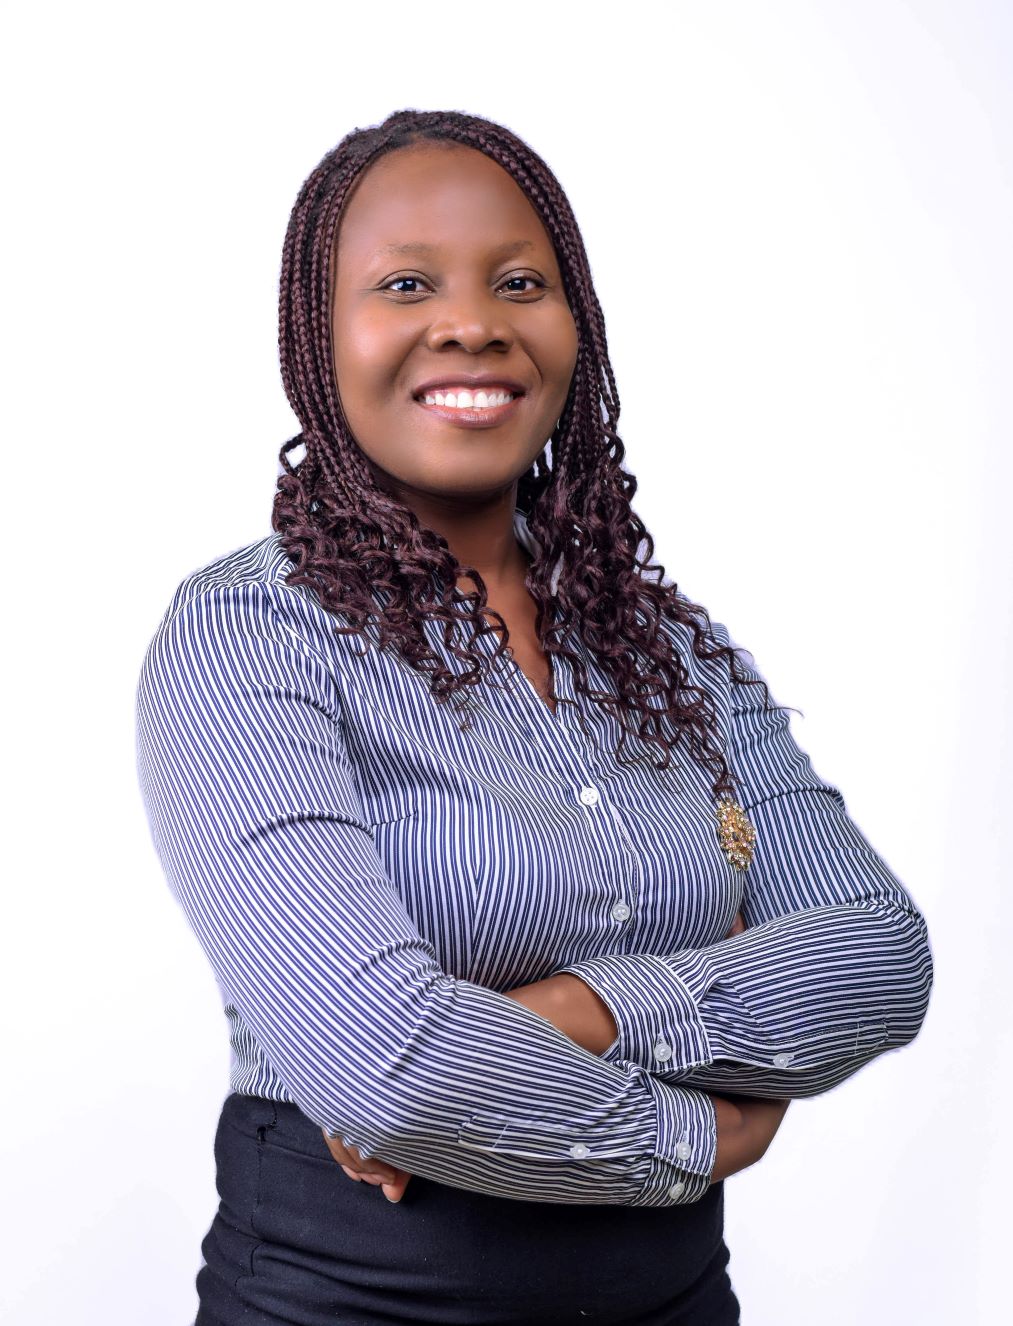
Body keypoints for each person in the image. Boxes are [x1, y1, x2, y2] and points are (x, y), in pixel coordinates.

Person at [135, 108, 934, 1326]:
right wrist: (691, 1137)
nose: (472, 323)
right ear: (316, 334)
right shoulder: (246, 639)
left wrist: (577, 1011)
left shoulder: (670, 651)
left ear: (575, 330)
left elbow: (877, 956)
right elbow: (385, 1069)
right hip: (355, 1302)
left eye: (519, 283)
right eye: (405, 284)